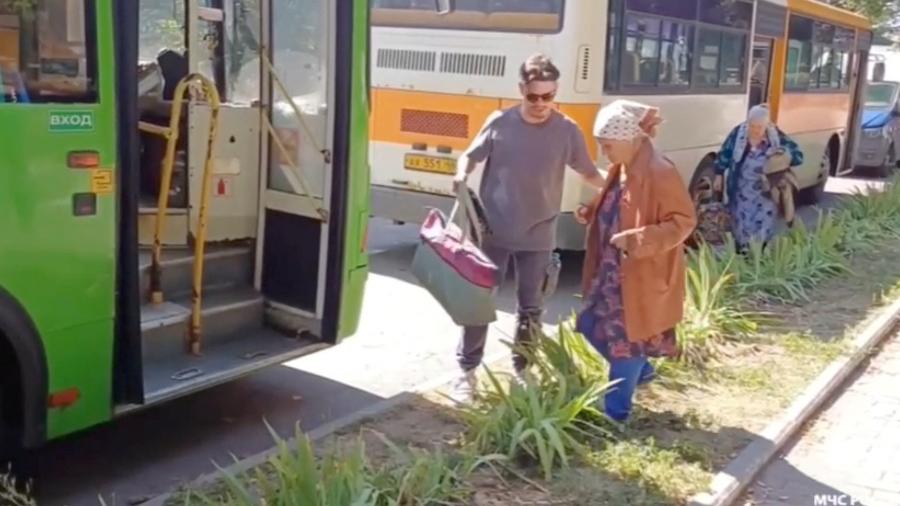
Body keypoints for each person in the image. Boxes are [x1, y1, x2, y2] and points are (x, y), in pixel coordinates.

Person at [450, 53, 606, 402]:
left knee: (531, 307)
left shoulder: (567, 130)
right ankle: (466, 371)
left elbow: (589, 172)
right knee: (479, 303)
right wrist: (461, 173)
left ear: (556, 93)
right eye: (533, 96)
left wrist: (619, 187)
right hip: (493, 231)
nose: (540, 104)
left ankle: (523, 371)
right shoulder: (500, 122)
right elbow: (470, 156)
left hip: (539, 234)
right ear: (521, 90)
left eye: (548, 96)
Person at [576, 100, 696, 424]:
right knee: (588, 324)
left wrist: (638, 239)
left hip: (641, 274)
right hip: (613, 272)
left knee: (624, 346)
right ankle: (641, 370)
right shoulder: (624, 165)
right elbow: (619, 206)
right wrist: (592, 212)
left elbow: (683, 222)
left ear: (629, 139)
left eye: (607, 145)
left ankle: (616, 416)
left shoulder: (660, 170)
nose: (603, 153)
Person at [713, 104, 803, 252]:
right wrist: (718, 174)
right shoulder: (738, 133)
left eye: (759, 127)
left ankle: (758, 255)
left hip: (766, 190)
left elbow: (798, 156)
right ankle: (743, 253)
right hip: (741, 189)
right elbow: (725, 153)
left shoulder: (776, 135)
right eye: (752, 126)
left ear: (767, 125)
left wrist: (784, 154)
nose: (755, 130)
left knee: (763, 224)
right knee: (741, 225)